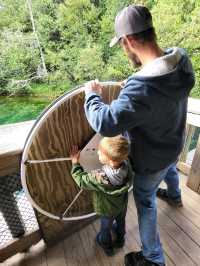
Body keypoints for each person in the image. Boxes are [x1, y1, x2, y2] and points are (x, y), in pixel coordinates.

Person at [83, 5, 195, 266]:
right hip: (173, 145)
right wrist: (132, 87)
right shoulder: (181, 59)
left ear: (129, 40)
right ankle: (176, 196)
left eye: (123, 43)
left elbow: (107, 122)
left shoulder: (141, 87)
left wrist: (91, 94)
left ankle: (154, 258)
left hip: (150, 160)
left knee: (145, 202)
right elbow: (156, 93)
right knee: (170, 170)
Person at [70, 135, 132, 256]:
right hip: (121, 205)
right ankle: (120, 240)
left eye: (100, 152)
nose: (97, 151)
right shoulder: (127, 164)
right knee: (121, 221)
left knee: (105, 228)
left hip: (107, 210)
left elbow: (81, 180)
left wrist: (75, 163)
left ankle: (106, 246)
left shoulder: (100, 176)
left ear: (111, 161)